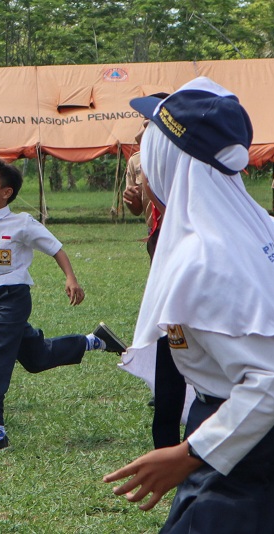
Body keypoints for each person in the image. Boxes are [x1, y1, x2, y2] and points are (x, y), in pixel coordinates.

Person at [104, 77, 274, 532]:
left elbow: (269, 382)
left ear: (171, 157)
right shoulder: (265, 230)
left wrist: (189, 454)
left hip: (243, 441)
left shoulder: (204, 257)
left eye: (152, 140)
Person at [0, 156, 125, 453]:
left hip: (14, 299)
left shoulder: (22, 223)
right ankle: (94, 341)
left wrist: (71, 278)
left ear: (6, 192)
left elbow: (55, 248)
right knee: (36, 359)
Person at [124, 119, 186, 450]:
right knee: (170, 336)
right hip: (158, 243)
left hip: (178, 249)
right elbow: (140, 207)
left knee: (181, 339)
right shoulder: (138, 161)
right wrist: (135, 202)